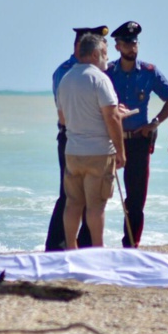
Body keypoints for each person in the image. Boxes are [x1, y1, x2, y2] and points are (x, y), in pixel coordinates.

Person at [106, 21, 168, 248]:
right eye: (126, 43)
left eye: (134, 42)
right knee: (97, 196)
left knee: (136, 201)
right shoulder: (106, 72)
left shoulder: (149, 72)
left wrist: (154, 123)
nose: (131, 47)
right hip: (110, 141)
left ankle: (131, 245)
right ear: (117, 46)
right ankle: (88, 244)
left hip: (138, 142)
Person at [56, 33, 126, 249]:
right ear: (95, 54)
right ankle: (97, 249)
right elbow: (112, 118)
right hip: (98, 151)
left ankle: (70, 247)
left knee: (73, 203)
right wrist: (121, 152)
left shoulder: (66, 79)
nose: (106, 59)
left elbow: (62, 118)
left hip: (73, 151)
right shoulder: (100, 79)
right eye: (104, 54)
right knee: (96, 206)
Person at [45, 25, 108, 251]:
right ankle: (57, 245)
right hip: (72, 135)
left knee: (86, 198)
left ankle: (83, 245)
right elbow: (64, 111)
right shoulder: (66, 71)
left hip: (84, 137)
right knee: (70, 196)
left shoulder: (93, 70)